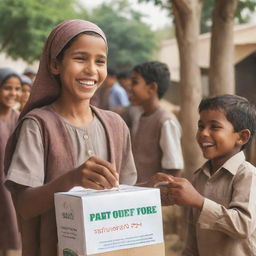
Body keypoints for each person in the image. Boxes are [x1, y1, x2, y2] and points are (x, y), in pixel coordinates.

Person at [4, 19, 137, 256]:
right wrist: (72, 179)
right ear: (55, 65)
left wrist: (157, 192)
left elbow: (125, 193)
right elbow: (24, 205)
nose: (91, 70)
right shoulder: (38, 125)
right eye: (80, 58)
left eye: (100, 61)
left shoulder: (116, 126)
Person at [160, 94, 256, 256]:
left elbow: (243, 225)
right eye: (200, 126)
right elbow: (194, 233)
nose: (204, 133)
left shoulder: (247, 175)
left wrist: (199, 201)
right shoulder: (199, 177)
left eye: (215, 127)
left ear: (241, 137)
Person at [129, 61, 184, 183]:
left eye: (135, 82)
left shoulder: (166, 121)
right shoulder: (139, 116)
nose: (130, 88)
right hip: (137, 193)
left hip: (154, 199)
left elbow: (174, 169)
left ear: (152, 87)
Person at [0, 68, 21, 256]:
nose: (13, 94)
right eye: (7, 88)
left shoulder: (19, 119)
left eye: (17, 89)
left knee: (11, 238)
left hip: (9, 188)